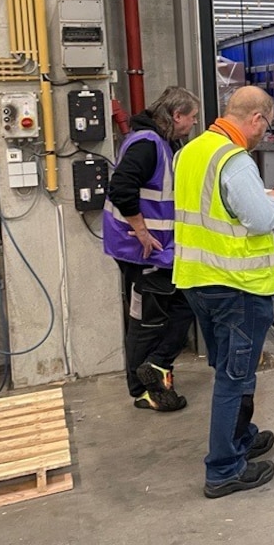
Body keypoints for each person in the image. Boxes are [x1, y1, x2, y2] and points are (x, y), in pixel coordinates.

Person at [173, 86, 274, 499]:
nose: (263, 135)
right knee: (233, 377)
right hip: (237, 286)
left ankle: (241, 438)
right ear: (256, 118)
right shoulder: (234, 160)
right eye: (266, 126)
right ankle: (223, 469)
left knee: (231, 368)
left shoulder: (191, 151)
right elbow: (258, 220)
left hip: (197, 280)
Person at [104, 86, 200, 411]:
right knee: (148, 318)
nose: (193, 124)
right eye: (192, 118)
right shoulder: (147, 145)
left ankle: (154, 374)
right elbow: (120, 187)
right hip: (142, 250)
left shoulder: (162, 142)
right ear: (176, 116)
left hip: (155, 250)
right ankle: (144, 387)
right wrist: (141, 231)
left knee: (161, 310)